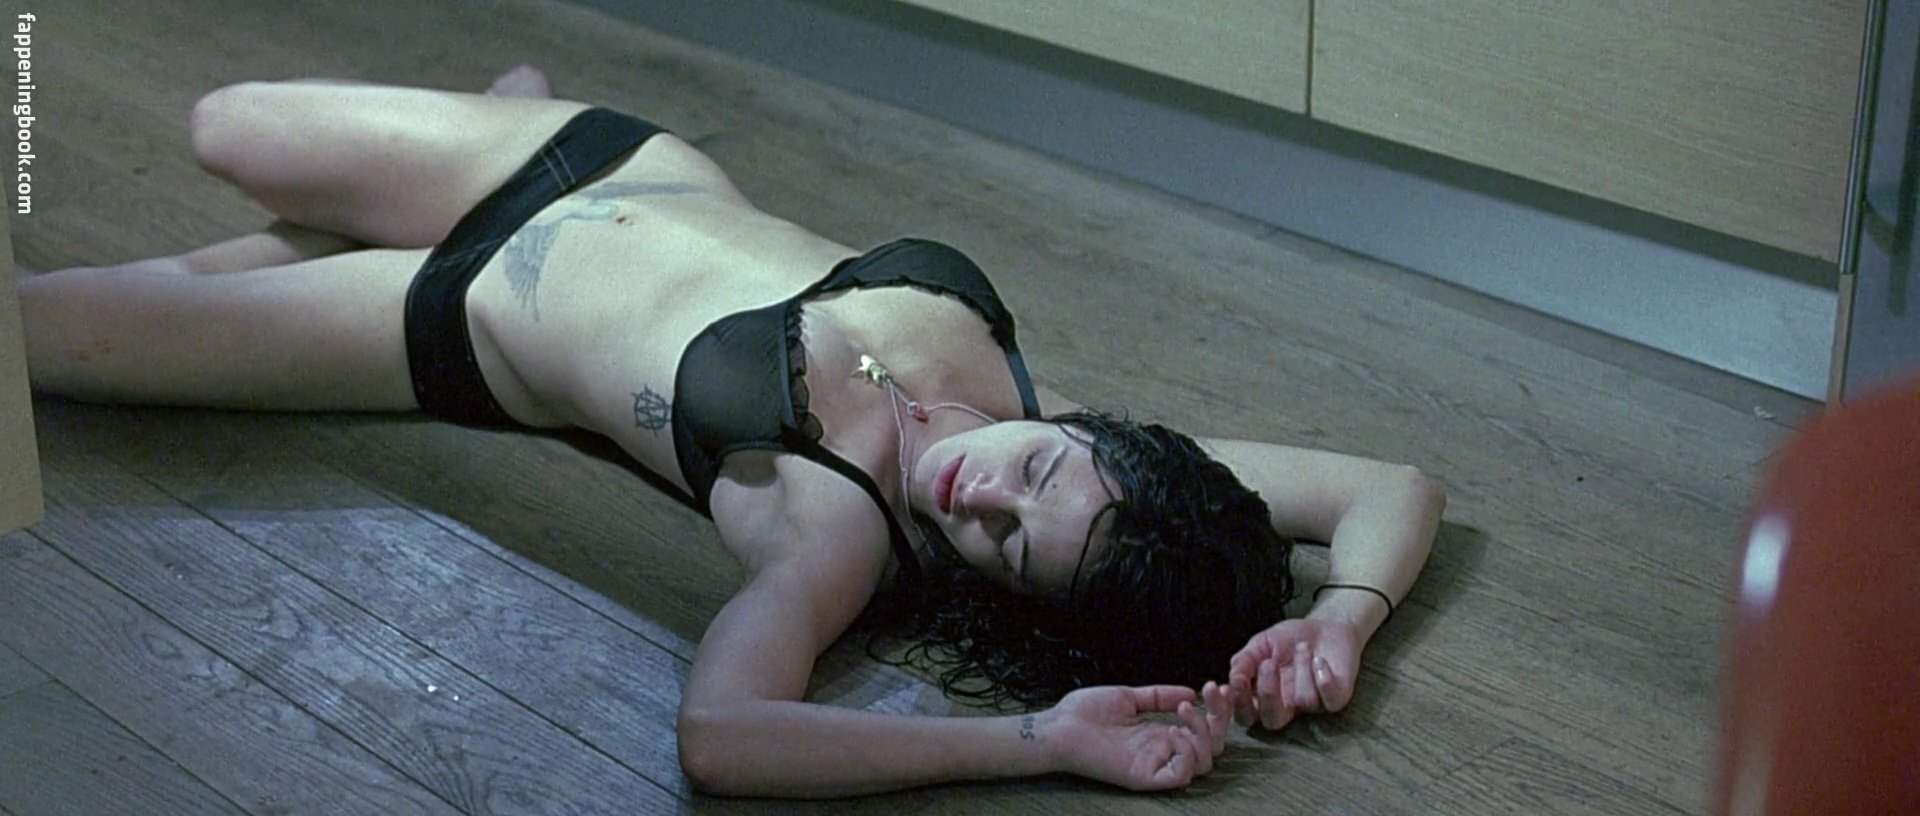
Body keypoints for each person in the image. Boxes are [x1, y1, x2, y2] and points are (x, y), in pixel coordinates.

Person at [19, 67, 1445, 798]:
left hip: (453, 323)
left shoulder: (837, 533)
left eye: (1005, 547)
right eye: (1033, 473)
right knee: (220, 122)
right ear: (1107, 440)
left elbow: (723, 735)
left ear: (1005, 594)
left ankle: (340, 247)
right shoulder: (1066, 430)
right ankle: (447, 153)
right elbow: (1390, 484)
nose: (981, 494)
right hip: (601, 163)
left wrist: (1041, 741)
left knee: (35, 334)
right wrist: (1347, 620)